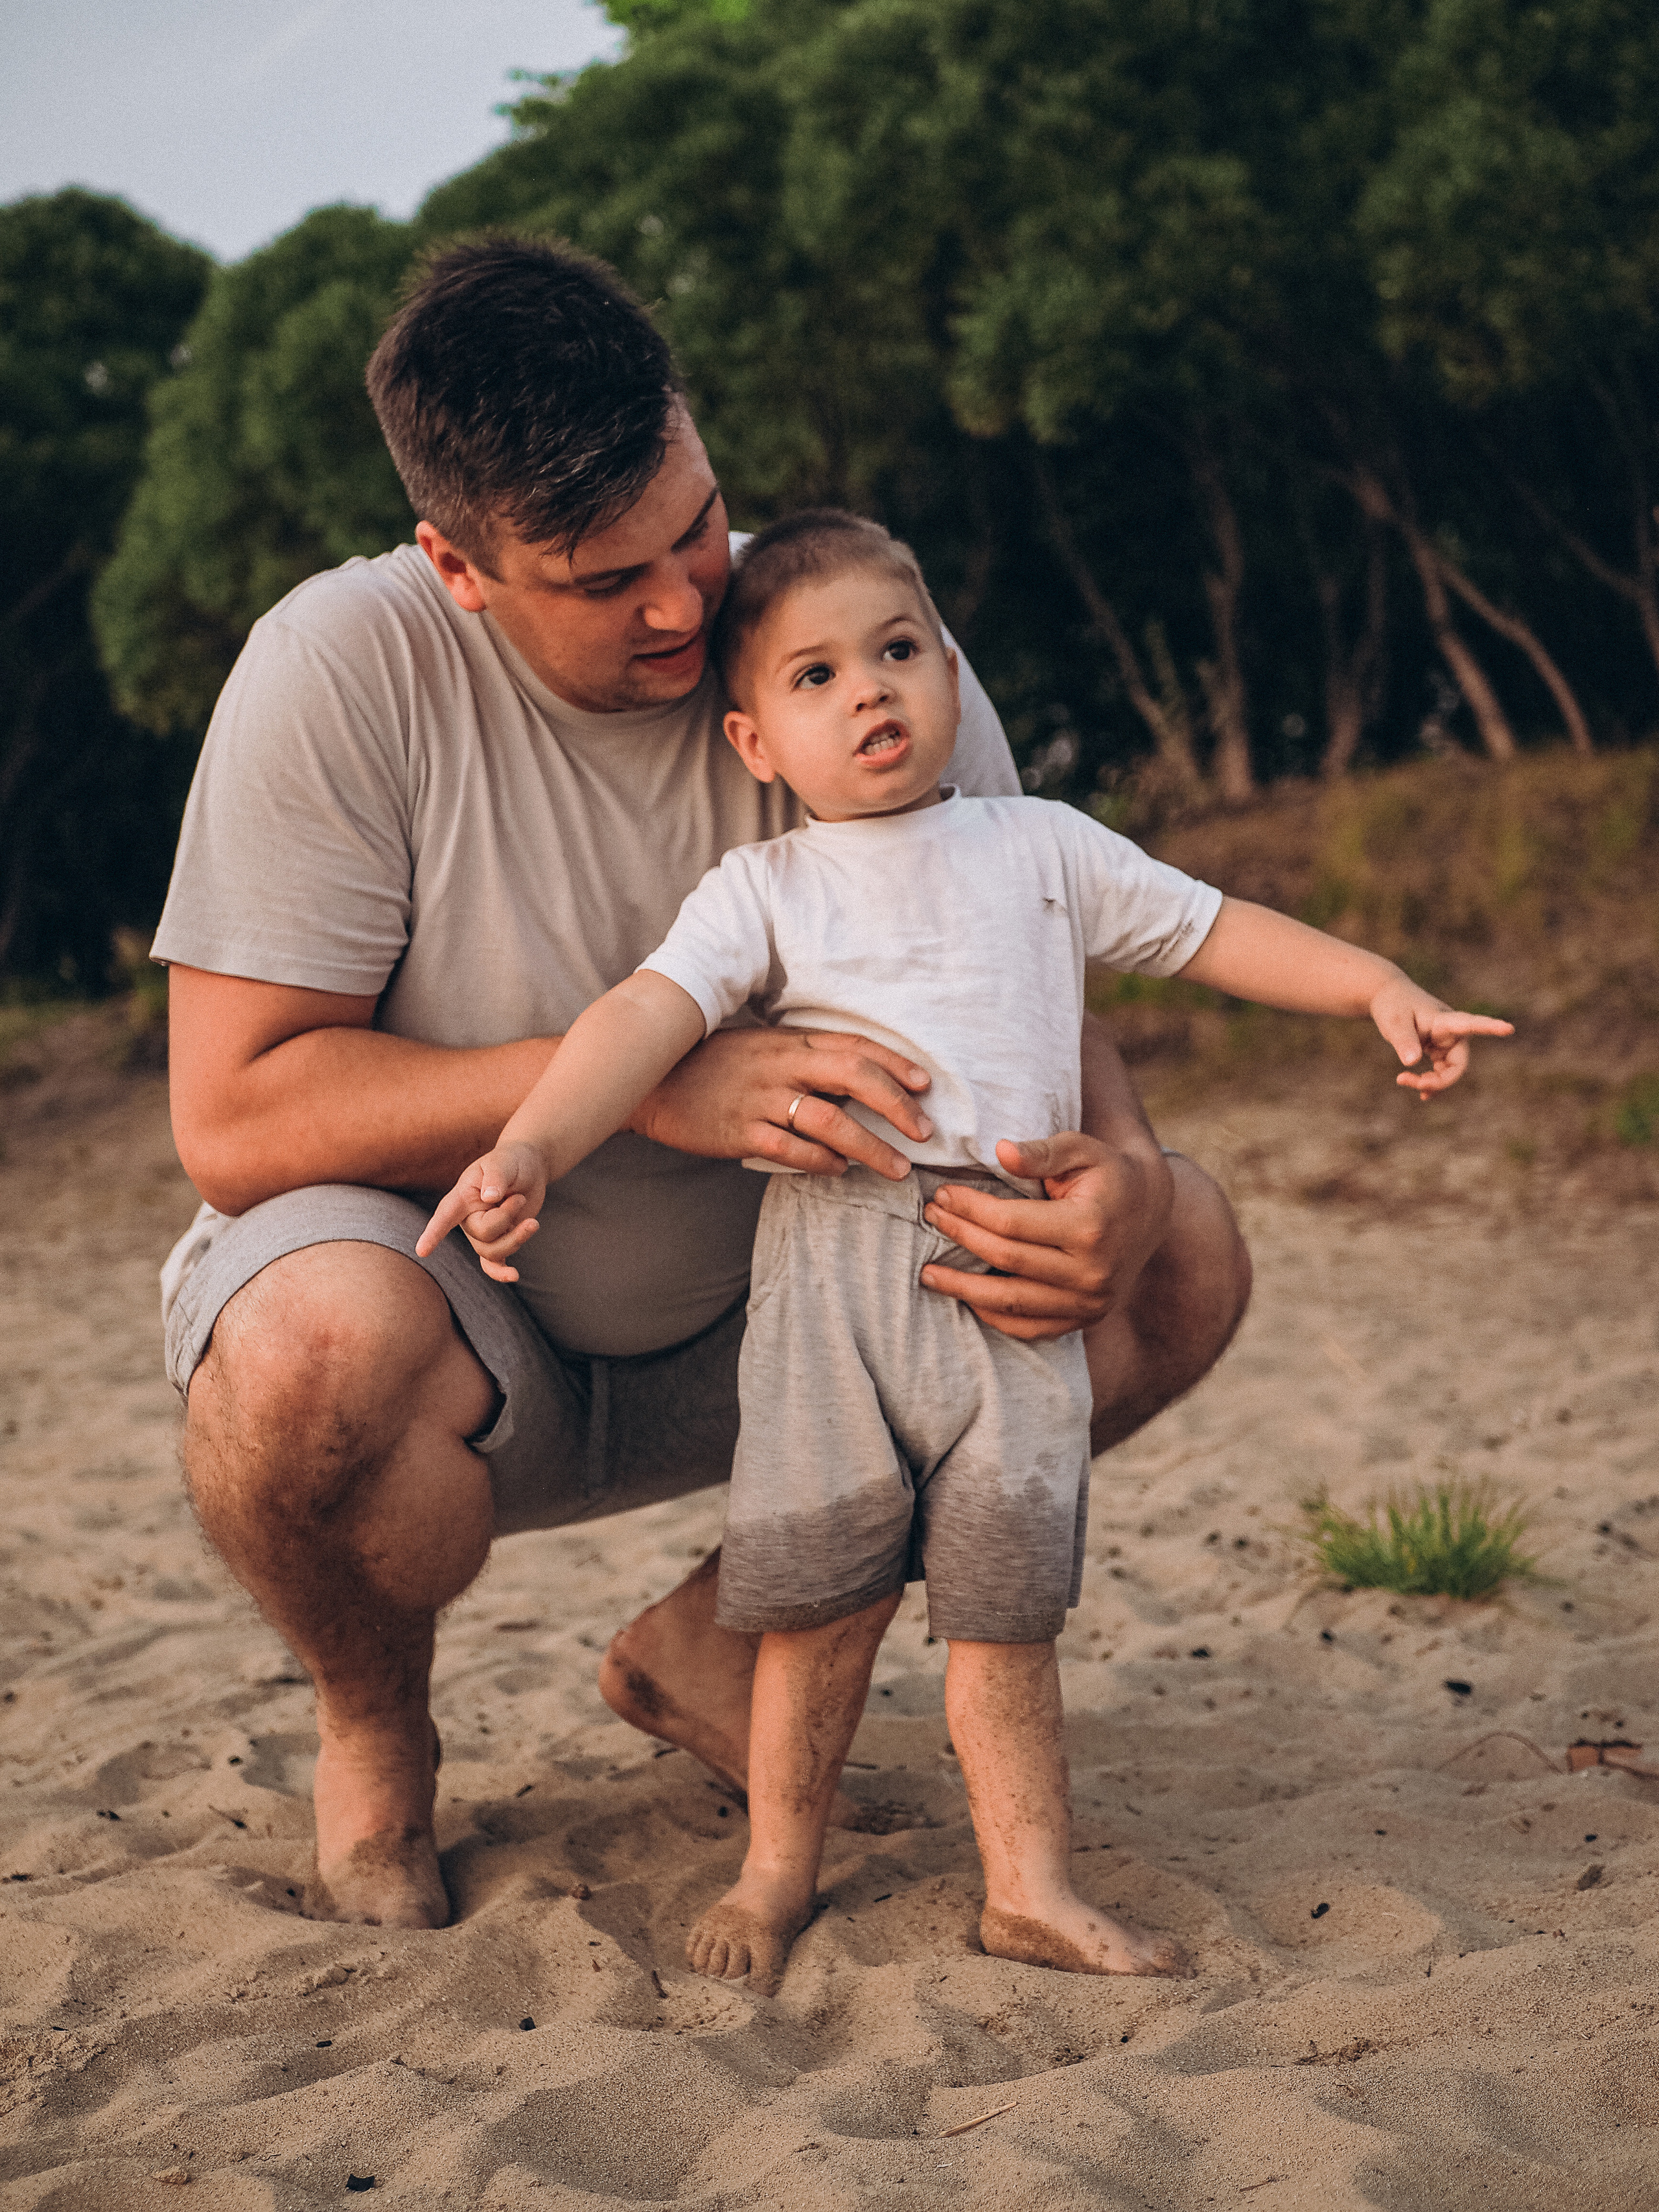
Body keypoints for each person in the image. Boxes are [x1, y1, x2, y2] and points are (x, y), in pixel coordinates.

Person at [153, 237, 1253, 1933]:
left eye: (697, 525)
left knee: (1177, 1245)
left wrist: (1113, 1156)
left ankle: (717, 1635)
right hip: (469, 1318)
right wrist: (644, 1073)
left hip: (803, 1311)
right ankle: (375, 1720)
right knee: (300, 1362)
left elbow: (1014, 966)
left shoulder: (841, 645)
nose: (683, 603)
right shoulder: (341, 671)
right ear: (459, 562)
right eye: (604, 580)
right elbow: (235, 1114)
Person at [418, 509, 1514, 1989]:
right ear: (753, 741)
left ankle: (1030, 1887)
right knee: (815, 1606)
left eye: (895, 650)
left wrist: (1372, 983)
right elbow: (640, 1022)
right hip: (833, 1275)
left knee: (1006, 1614)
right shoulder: (767, 892)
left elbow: (1211, 931)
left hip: (1007, 1263)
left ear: (950, 669)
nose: (866, 691)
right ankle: (773, 1873)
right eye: (814, 677)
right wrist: (532, 1146)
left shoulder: (1041, 846)